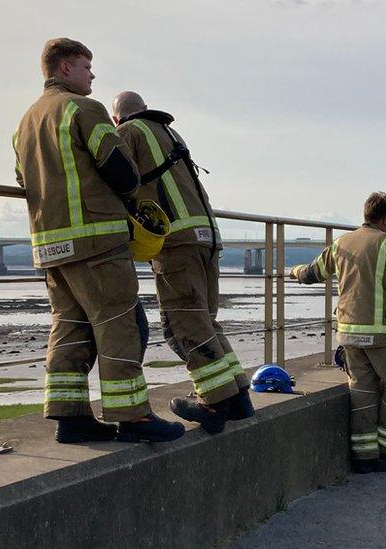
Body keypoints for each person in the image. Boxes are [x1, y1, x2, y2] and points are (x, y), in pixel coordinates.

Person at [13, 38, 184, 444]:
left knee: (69, 327)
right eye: (87, 66)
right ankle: (133, 416)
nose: (92, 75)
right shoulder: (83, 109)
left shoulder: (25, 122)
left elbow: (23, 179)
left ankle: (69, 417)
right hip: (97, 241)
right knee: (118, 325)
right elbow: (119, 167)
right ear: (66, 68)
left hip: (50, 246)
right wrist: (131, 201)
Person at [112, 91, 253, 434]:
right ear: (144, 109)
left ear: (118, 119)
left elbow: (117, 178)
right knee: (204, 320)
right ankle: (238, 396)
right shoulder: (170, 132)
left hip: (177, 242)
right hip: (206, 237)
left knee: (184, 326)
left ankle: (214, 402)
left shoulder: (128, 134)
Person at [290, 192, 386, 474]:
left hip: (348, 331)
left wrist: (293, 271)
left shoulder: (341, 243)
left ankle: (365, 456)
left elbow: (312, 273)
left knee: (362, 390)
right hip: (383, 332)